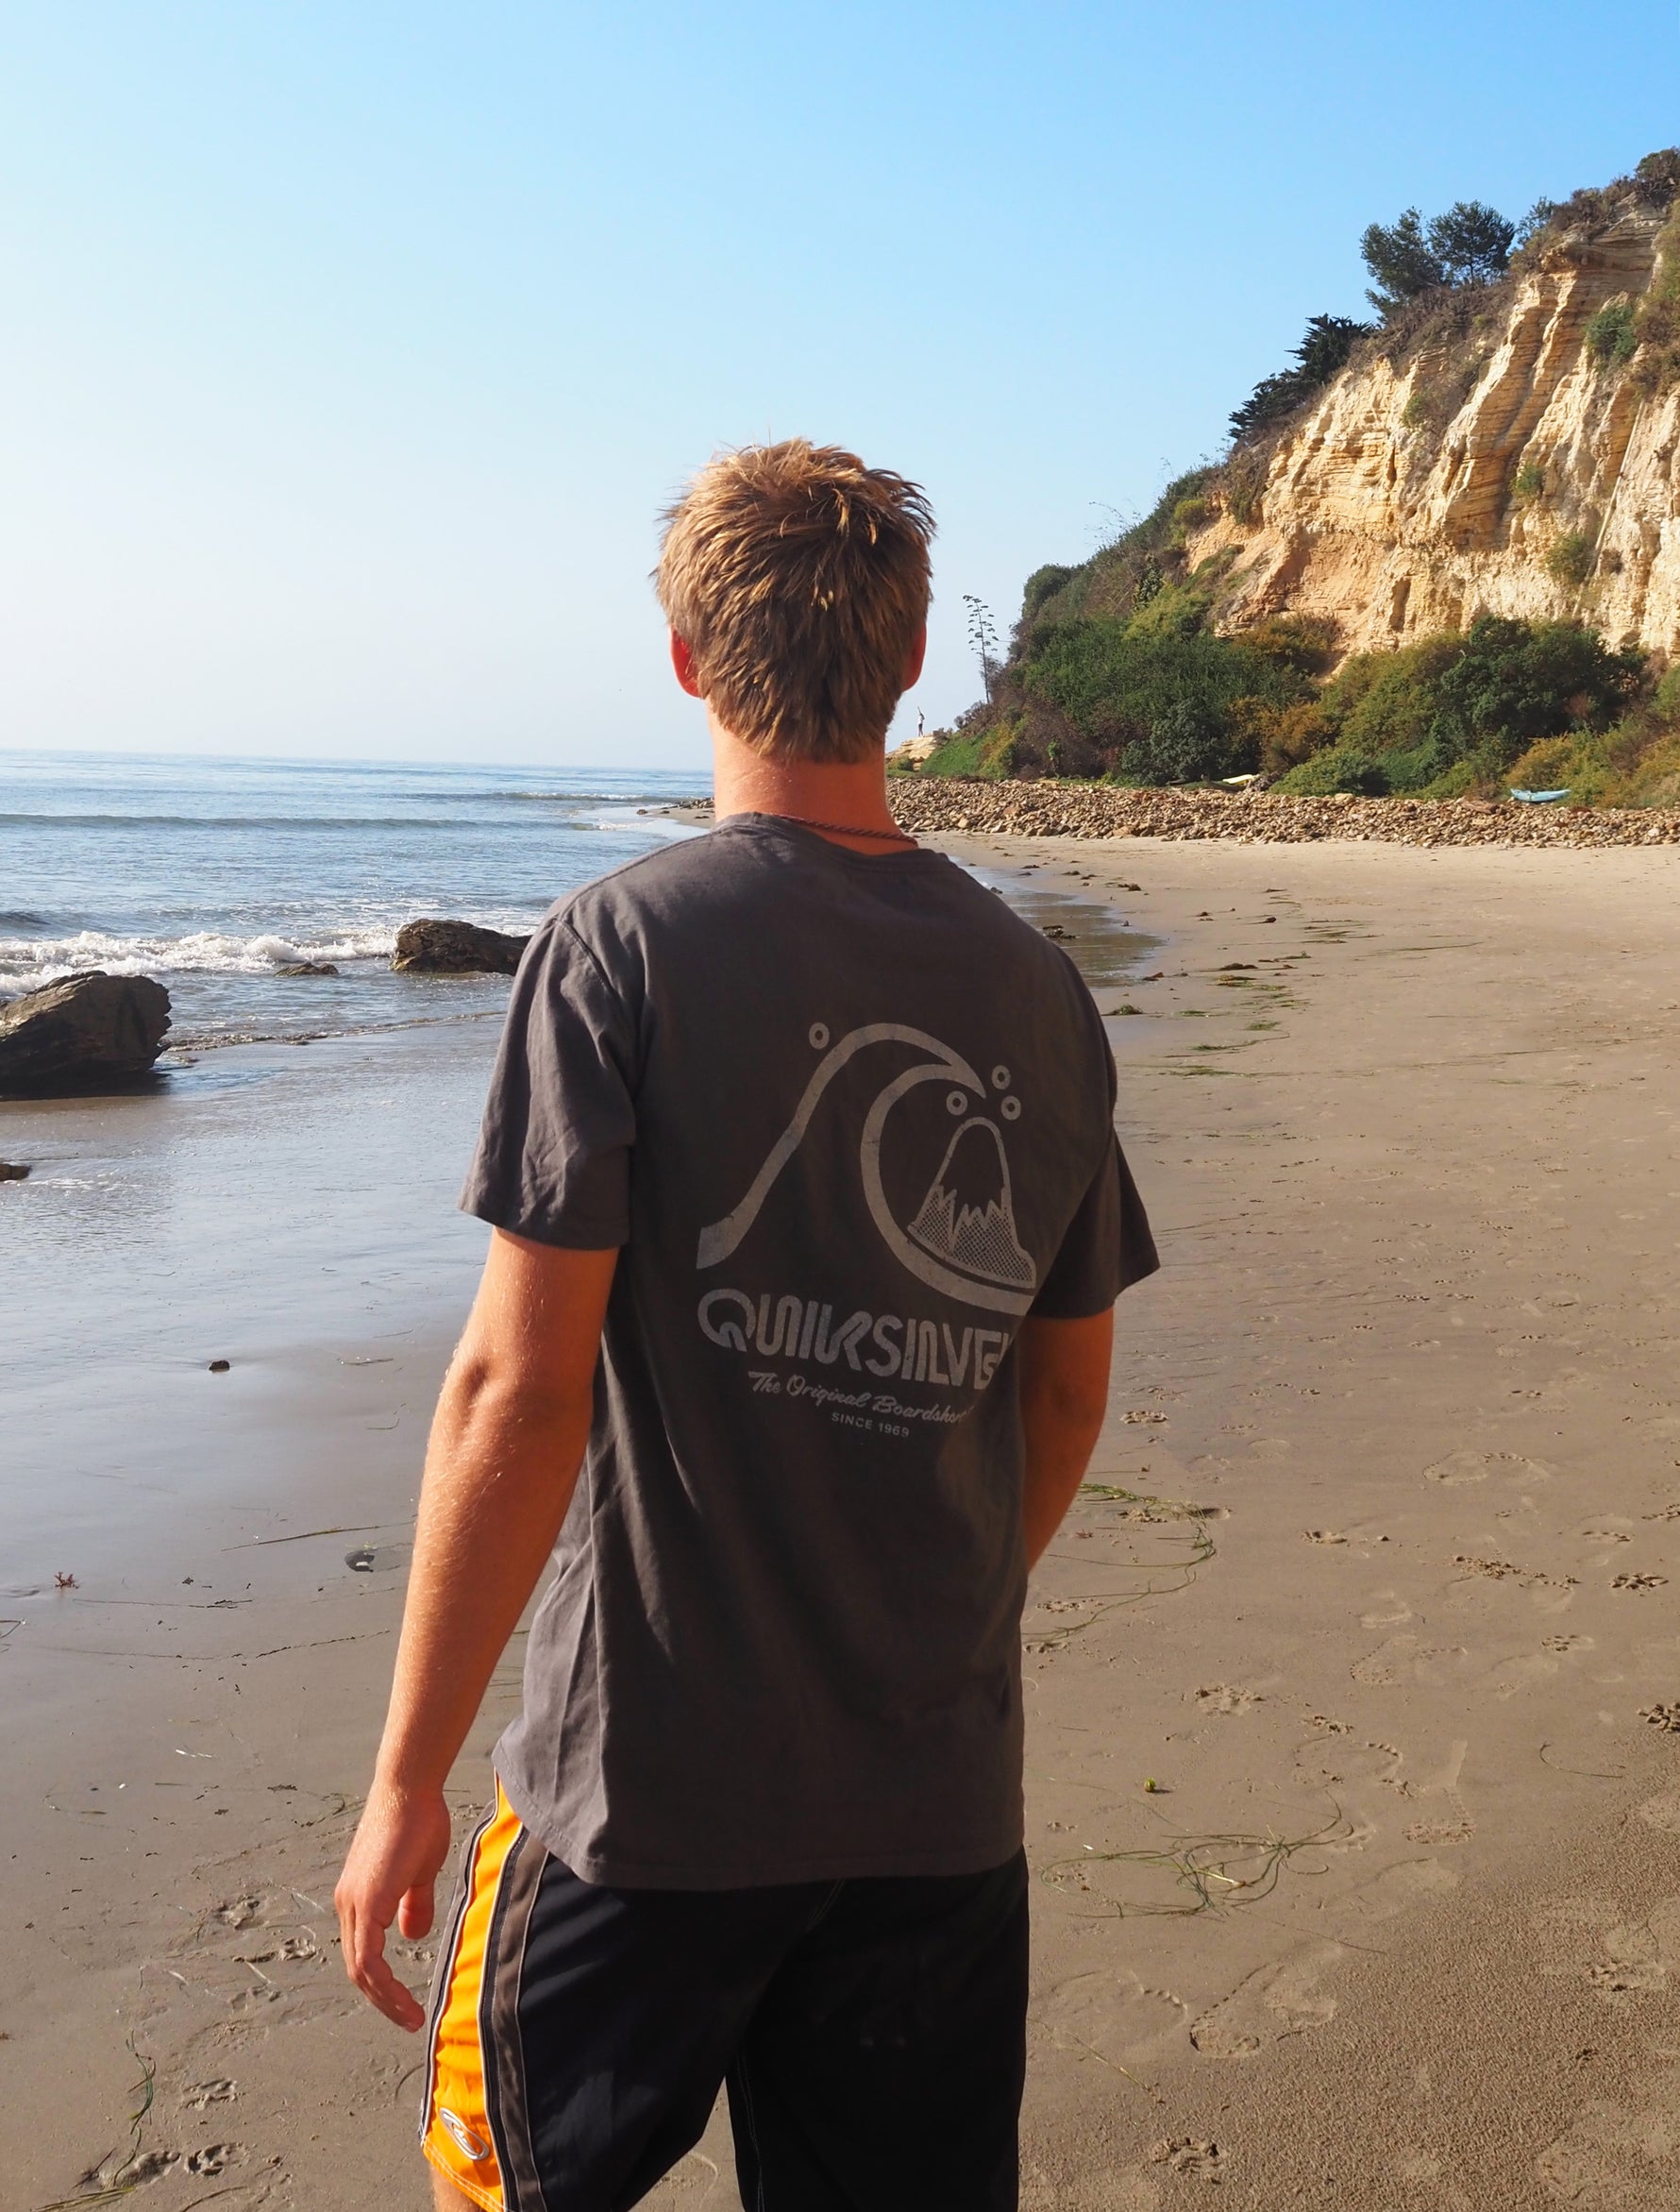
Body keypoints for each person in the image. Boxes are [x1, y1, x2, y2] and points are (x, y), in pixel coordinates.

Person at [335, 439, 1158, 2211]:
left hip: (642, 1799)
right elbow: (1067, 1401)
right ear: (914, 661)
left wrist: (406, 1779)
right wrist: (920, 1630)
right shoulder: (1041, 995)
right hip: (933, 1807)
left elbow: (516, 1393)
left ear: (688, 658)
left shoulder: (619, 949)